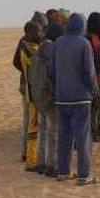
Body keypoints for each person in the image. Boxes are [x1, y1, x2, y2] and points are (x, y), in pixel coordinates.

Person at [49, 13, 99, 186]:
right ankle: (84, 175)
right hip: (80, 99)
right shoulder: (84, 44)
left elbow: (51, 71)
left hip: (62, 97)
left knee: (64, 136)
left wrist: (58, 88)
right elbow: (89, 73)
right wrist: (93, 90)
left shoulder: (57, 43)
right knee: (83, 136)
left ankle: (63, 171)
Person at [30, 22, 64, 177]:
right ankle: (51, 165)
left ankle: (41, 163)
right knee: (53, 133)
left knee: (43, 131)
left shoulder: (38, 50)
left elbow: (33, 75)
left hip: (39, 97)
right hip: (49, 98)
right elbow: (52, 75)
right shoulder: (52, 51)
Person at [19, 21, 43, 170]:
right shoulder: (28, 50)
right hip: (33, 94)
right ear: (30, 33)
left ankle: (33, 157)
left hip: (35, 92)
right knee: (33, 129)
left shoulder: (30, 46)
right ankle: (31, 160)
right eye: (38, 31)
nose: (40, 34)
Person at [86, 12, 100, 142]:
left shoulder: (93, 37)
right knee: (94, 106)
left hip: (95, 76)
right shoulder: (90, 38)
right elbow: (95, 60)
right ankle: (92, 131)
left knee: (95, 106)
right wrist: (98, 75)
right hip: (93, 77)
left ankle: (93, 130)